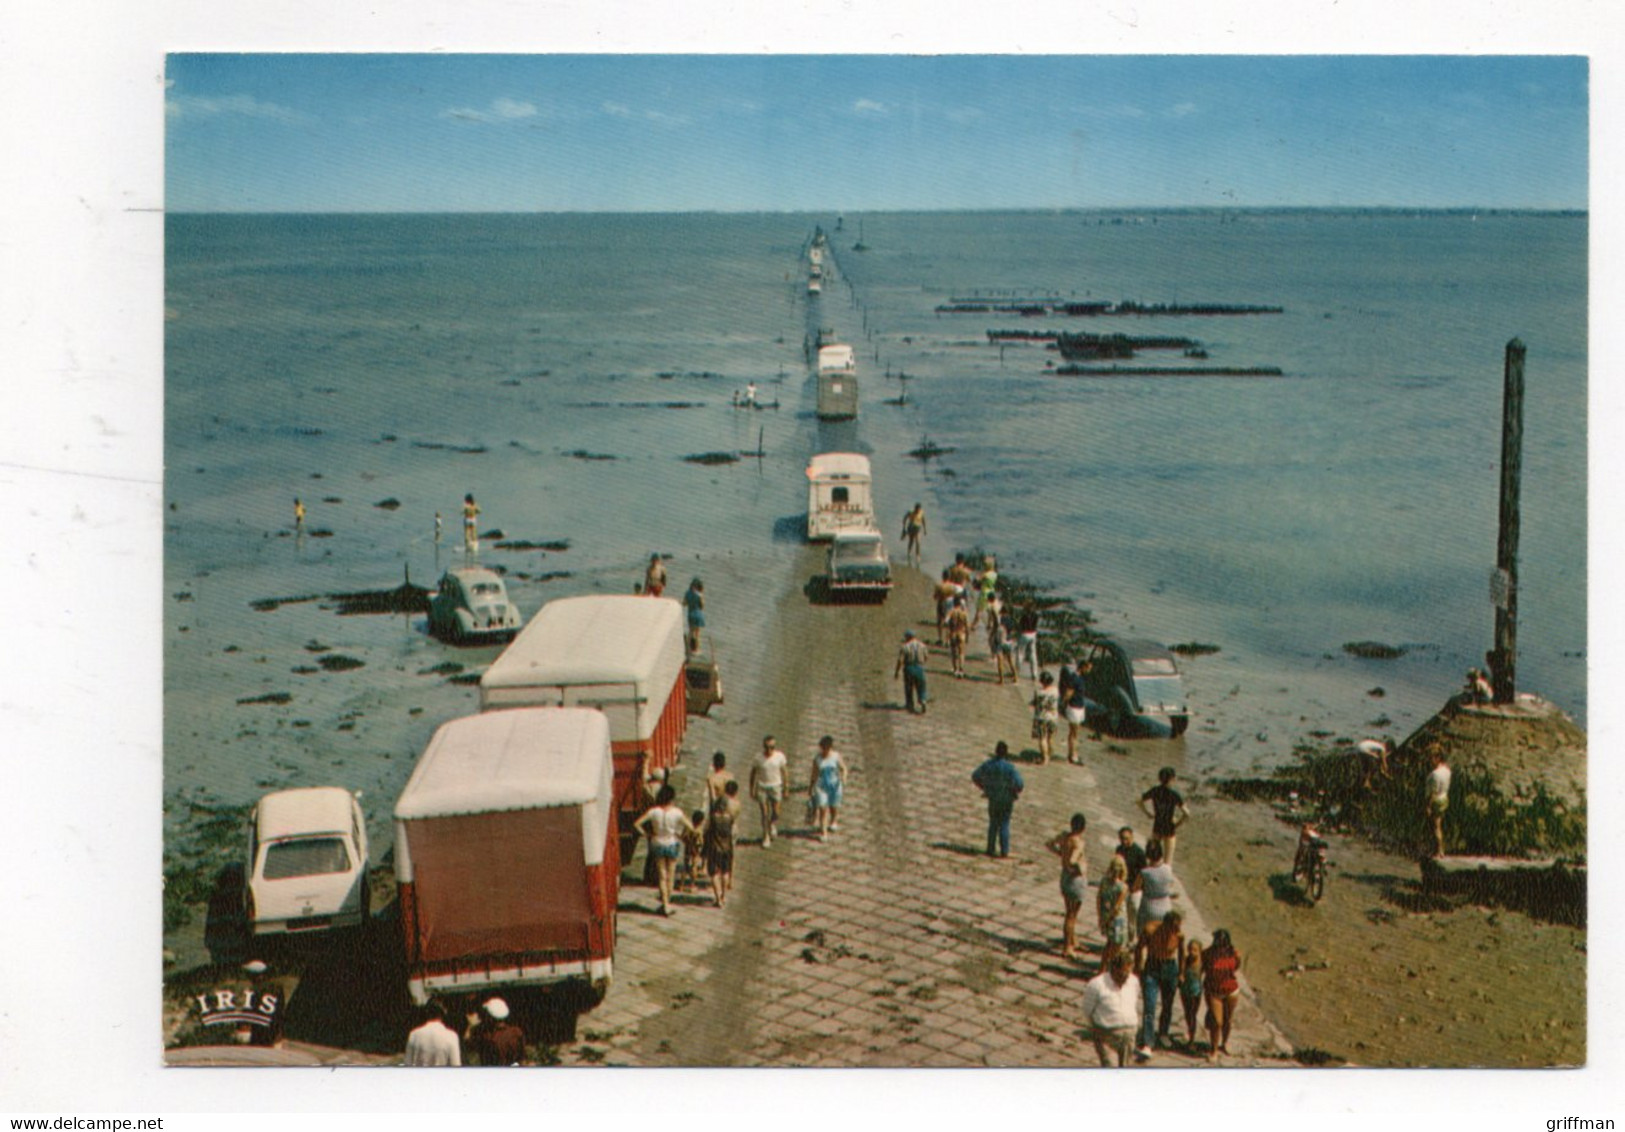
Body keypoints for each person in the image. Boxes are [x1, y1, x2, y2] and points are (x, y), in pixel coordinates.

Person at [635, 783, 694, 916]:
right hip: (672, 843)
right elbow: (691, 827)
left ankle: (665, 904)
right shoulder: (677, 812)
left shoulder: (653, 811)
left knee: (662, 875)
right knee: (671, 875)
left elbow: (637, 824)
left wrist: (647, 835)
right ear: (672, 798)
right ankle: (669, 902)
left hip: (657, 843)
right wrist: (681, 836)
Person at [1135, 910, 1184, 1058]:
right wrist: (1138, 967)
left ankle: (1163, 1032)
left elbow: (1182, 954)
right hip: (1153, 967)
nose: (1176, 931)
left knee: (1167, 1004)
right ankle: (1148, 1042)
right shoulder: (1150, 930)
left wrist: (1181, 973)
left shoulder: (1179, 935)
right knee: (1149, 1005)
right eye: (1174, 928)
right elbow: (1139, 947)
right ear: (1166, 924)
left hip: (1170, 967)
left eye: (1178, 927)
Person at [1083, 949, 1142, 1068]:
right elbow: (1087, 1010)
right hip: (1107, 1036)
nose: (1125, 978)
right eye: (1122, 974)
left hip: (1129, 1036)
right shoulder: (1096, 985)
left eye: (1128, 973)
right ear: (1113, 969)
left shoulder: (1133, 981)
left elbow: (1133, 1000)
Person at [1045, 813, 1088, 961]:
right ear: (1083, 828)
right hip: (1075, 880)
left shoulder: (1064, 836)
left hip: (1064, 878)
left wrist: (1061, 854)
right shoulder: (1078, 842)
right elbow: (1073, 860)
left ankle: (1073, 940)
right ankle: (1067, 947)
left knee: (1070, 913)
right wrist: (1077, 868)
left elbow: (1049, 844)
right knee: (1071, 916)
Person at [971, 741, 1024, 858]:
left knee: (993, 823)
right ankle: (1004, 851)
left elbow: (975, 776)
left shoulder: (989, 765)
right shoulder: (1010, 768)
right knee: (1004, 824)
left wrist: (984, 787)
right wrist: (1014, 791)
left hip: (993, 798)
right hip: (1007, 799)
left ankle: (990, 848)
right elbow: (1020, 784)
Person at [1202, 928, 1243, 1060]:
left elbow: (1236, 967)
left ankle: (1224, 1044)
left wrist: (1238, 958)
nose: (1221, 946)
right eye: (1219, 943)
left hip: (1231, 990)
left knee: (1228, 1020)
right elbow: (1202, 970)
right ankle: (1214, 1051)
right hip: (1214, 991)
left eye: (1223, 943)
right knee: (1217, 1022)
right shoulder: (1208, 954)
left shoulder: (1233, 953)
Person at [1139, 767, 1189, 865]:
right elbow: (1186, 813)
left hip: (1157, 825)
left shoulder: (1155, 790)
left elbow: (1138, 801)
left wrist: (1147, 813)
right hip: (1169, 827)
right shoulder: (1174, 795)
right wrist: (1177, 824)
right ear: (1172, 779)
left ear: (1160, 779)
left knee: (1152, 858)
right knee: (1168, 862)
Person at [749, 735, 789, 848]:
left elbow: (785, 772)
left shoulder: (779, 757)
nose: (769, 750)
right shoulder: (758, 758)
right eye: (767, 747)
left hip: (776, 786)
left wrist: (786, 788)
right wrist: (752, 789)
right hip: (762, 787)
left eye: (772, 747)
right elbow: (753, 774)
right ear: (763, 747)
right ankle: (765, 835)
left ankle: (772, 824)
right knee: (764, 813)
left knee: (776, 812)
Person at [808, 735, 847, 841]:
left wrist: (843, 779)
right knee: (822, 809)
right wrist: (811, 787)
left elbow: (843, 768)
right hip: (821, 787)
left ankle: (834, 820)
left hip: (835, 786)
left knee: (833, 807)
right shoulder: (817, 759)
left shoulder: (836, 756)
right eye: (823, 748)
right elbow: (814, 774)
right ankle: (823, 832)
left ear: (830, 747)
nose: (824, 750)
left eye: (827, 748)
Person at [1058, 657, 1096, 763]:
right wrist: (1063, 704)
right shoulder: (1074, 678)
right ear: (1083, 667)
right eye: (1088, 668)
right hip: (1074, 708)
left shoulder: (1081, 678)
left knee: (1075, 733)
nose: (1089, 671)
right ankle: (1073, 756)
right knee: (1074, 733)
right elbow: (1068, 693)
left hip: (1079, 707)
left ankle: (1073, 754)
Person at [466, 997, 525, 1066]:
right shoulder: (516, 1032)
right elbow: (522, 1057)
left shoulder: (489, 1038)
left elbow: (468, 1045)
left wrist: (470, 1026)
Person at [1136, 841, 1178, 937]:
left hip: (1149, 907)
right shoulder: (1168, 869)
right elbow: (1170, 884)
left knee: (1143, 933)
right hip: (1165, 906)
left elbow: (1136, 887)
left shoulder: (1145, 872)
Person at [1096, 856, 1131, 969]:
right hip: (1118, 920)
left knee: (1108, 945)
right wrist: (1109, 918)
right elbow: (1117, 907)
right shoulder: (1123, 887)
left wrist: (1101, 917)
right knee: (1117, 948)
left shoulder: (1104, 881)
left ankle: (1102, 968)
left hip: (1106, 915)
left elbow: (1098, 899)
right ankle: (1111, 970)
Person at [703, 792, 736, 908]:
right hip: (727, 848)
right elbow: (733, 833)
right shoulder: (730, 818)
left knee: (714, 874)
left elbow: (705, 832)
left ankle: (718, 898)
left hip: (714, 848)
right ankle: (723, 896)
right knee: (725, 872)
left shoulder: (712, 818)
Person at [404, 1001, 462, 1067]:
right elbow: (455, 1065)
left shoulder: (414, 1035)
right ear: (443, 1015)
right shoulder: (452, 1036)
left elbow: (407, 1065)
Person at [1115, 826, 1148, 929]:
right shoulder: (1119, 849)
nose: (1124, 841)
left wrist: (1136, 887)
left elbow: (1143, 872)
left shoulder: (1139, 853)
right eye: (1122, 839)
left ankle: (1131, 936)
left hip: (1134, 888)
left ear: (1132, 837)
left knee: (1133, 912)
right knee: (1120, 913)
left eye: (1126, 838)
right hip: (1122, 886)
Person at [894, 629, 930, 713]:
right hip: (919, 667)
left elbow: (900, 660)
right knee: (921, 686)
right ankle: (923, 700)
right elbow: (926, 657)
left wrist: (897, 671)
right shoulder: (922, 645)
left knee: (909, 687)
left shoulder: (905, 646)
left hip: (909, 667)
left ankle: (910, 704)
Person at [1178, 938, 1205, 1050]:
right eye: (1190, 949)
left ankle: (1192, 1039)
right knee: (1188, 1014)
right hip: (1185, 990)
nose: (1192, 952)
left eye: (1195, 950)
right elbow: (1181, 972)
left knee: (1193, 1014)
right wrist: (1181, 977)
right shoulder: (1186, 960)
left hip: (1196, 991)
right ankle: (1190, 1032)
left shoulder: (1202, 962)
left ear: (1200, 951)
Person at [1029, 671, 1059, 765]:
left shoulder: (1038, 692)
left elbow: (1034, 703)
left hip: (1041, 718)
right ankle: (1050, 753)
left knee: (1042, 738)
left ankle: (1045, 758)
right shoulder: (1056, 690)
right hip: (1053, 717)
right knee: (1050, 738)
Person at [1426, 749, 1452, 857]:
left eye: (1432, 758)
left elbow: (1433, 792)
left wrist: (1428, 806)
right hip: (1444, 797)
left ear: (1437, 758)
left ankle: (1439, 850)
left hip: (1436, 801)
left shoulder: (1434, 774)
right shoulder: (1447, 771)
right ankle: (1438, 849)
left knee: (1436, 827)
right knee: (1439, 825)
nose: (1430, 761)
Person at [987, 604, 1017, 685]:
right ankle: (1015, 678)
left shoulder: (1000, 619)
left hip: (1000, 642)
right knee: (1010, 661)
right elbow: (1013, 632)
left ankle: (1001, 680)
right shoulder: (1012, 620)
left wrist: (991, 638)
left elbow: (995, 629)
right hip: (1009, 642)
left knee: (1000, 661)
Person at [678, 810, 706, 893]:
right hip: (696, 850)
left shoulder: (687, 827)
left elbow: (683, 837)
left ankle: (681, 885)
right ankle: (692, 885)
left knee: (685, 866)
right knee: (694, 867)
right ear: (701, 821)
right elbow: (701, 841)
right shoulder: (699, 830)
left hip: (687, 848)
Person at [945, 596, 970, 679]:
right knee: (961, 653)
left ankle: (955, 669)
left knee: (953, 653)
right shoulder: (964, 613)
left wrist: (947, 636)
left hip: (953, 633)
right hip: (961, 633)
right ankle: (961, 669)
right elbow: (967, 626)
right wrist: (967, 637)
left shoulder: (951, 612)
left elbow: (946, 622)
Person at [933, 568, 959, 645]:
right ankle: (947, 640)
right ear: (949, 576)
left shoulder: (939, 585)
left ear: (942, 576)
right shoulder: (953, 586)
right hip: (950, 602)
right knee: (949, 622)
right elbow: (955, 595)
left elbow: (935, 596)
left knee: (940, 621)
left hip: (941, 602)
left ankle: (940, 638)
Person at [1015, 605, 1040, 685]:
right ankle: (1034, 674)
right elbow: (1036, 626)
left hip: (1025, 634)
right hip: (1033, 634)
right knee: (1033, 655)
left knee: (1020, 653)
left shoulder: (1024, 616)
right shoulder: (1036, 616)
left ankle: (1017, 671)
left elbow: (1020, 626)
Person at [971, 556, 998, 629]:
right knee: (989, 609)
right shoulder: (995, 574)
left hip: (984, 592)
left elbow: (977, 579)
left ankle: (975, 624)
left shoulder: (985, 574)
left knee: (979, 609)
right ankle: (990, 624)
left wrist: (978, 576)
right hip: (991, 591)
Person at [684, 578, 706, 653]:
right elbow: (702, 606)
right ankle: (696, 649)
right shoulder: (700, 595)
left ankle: (688, 648)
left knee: (690, 632)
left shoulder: (688, 593)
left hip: (691, 614)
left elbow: (684, 603)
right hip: (699, 615)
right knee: (697, 634)